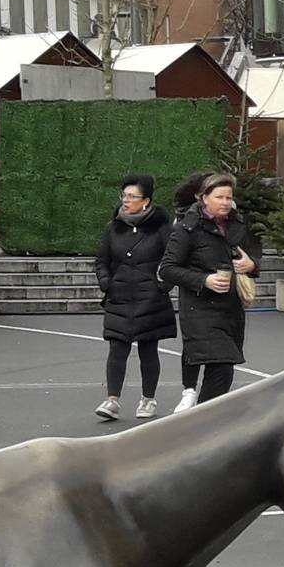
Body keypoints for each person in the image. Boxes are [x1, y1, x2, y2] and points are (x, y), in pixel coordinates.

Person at [161, 172, 260, 409]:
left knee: (223, 370)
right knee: (222, 363)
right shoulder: (188, 228)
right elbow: (167, 268)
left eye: (229, 197)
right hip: (199, 310)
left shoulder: (238, 224)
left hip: (231, 310)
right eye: (219, 197)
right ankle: (205, 420)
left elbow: (254, 257)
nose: (225, 202)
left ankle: (205, 418)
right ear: (203, 198)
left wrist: (252, 265)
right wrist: (204, 280)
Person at [93, 173, 175, 421]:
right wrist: (106, 283)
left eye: (132, 196)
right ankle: (112, 400)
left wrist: (161, 286)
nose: (126, 201)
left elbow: (172, 260)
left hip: (151, 299)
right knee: (117, 348)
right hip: (119, 297)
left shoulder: (161, 228)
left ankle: (148, 399)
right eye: (124, 195)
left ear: (146, 201)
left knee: (148, 350)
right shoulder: (113, 227)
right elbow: (101, 261)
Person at [164, 171, 211, 409]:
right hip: (193, 291)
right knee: (192, 342)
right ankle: (189, 390)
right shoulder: (184, 223)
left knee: (221, 350)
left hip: (222, 296)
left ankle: (209, 398)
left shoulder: (230, 219)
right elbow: (171, 264)